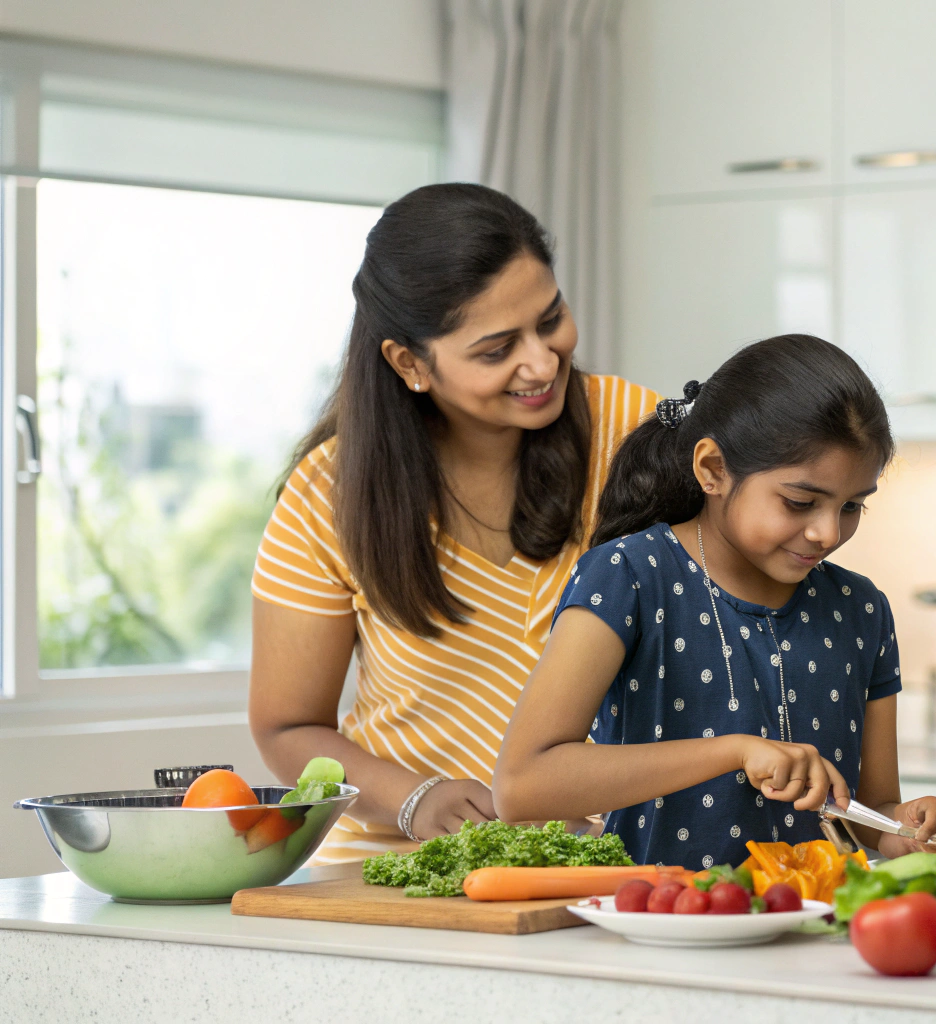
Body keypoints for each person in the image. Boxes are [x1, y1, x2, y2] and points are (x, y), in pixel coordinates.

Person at [248, 183, 660, 861]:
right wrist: (415, 799)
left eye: (550, 318)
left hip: (619, 864)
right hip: (398, 866)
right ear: (409, 363)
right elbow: (287, 727)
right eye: (497, 350)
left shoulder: (634, 433)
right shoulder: (330, 491)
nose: (542, 361)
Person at [491, 335, 936, 867]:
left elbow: (868, 809)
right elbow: (522, 785)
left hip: (816, 932)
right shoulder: (629, 577)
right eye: (800, 502)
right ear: (712, 469)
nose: (827, 533)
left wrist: (902, 825)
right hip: (661, 927)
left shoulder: (861, 610)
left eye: (852, 506)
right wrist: (734, 751)